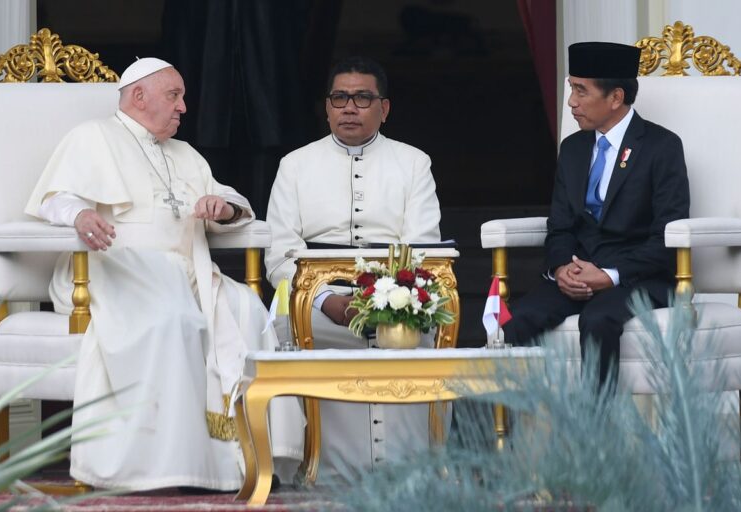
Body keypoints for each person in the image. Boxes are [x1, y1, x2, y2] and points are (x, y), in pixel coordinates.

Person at [24, 58, 304, 491]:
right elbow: (54, 198)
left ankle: (243, 459)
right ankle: (164, 466)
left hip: (186, 270)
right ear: (139, 96)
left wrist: (223, 207)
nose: (184, 108)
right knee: (173, 317)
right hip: (115, 266)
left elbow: (227, 195)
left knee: (248, 309)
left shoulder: (184, 153)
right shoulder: (93, 137)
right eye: (175, 96)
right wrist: (80, 214)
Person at [265, 56, 442, 478]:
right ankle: (310, 468)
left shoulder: (414, 162)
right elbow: (280, 252)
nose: (349, 107)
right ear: (326, 107)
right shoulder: (295, 164)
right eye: (340, 97)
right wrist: (325, 299)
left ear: (384, 108)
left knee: (419, 331)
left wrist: (382, 299)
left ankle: (413, 469)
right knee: (274, 334)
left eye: (363, 98)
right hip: (313, 297)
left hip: (396, 294)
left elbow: (422, 245)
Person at [502, 42, 690, 385]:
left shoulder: (662, 147)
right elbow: (559, 226)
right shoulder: (573, 148)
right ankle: (482, 437)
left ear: (615, 97)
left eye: (580, 90)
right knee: (517, 321)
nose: (571, 101)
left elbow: (666, 236)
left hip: (639, 277)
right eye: (571, 88)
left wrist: (610, 275)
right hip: (577, 272)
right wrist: (562, 268)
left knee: (598, 320)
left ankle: (597, 436)